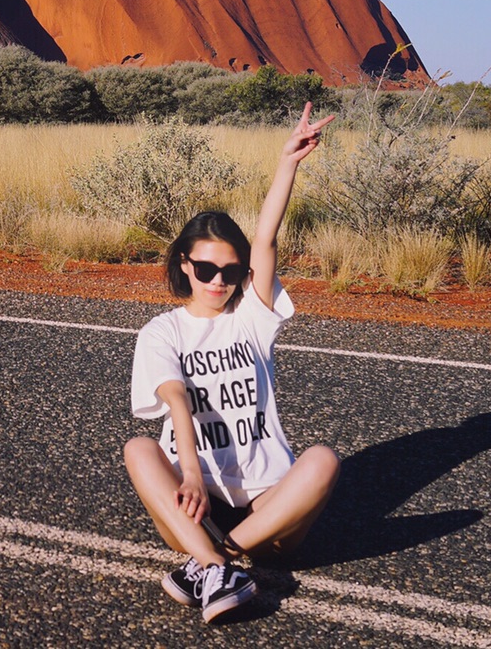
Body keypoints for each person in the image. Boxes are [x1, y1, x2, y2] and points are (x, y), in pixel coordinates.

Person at [124, 102, 341, 622]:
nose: (218, 280)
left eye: (230, 270)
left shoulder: (252, 317)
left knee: (324, 461)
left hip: (265, 511)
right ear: (184, 264)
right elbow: (175, 398)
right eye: (205, 268)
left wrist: (287, 162)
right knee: (138, 449)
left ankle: (213, 562)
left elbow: (265, 238)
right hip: (191, 501)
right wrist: (192, 474)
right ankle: (212, 561)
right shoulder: (163, 331)